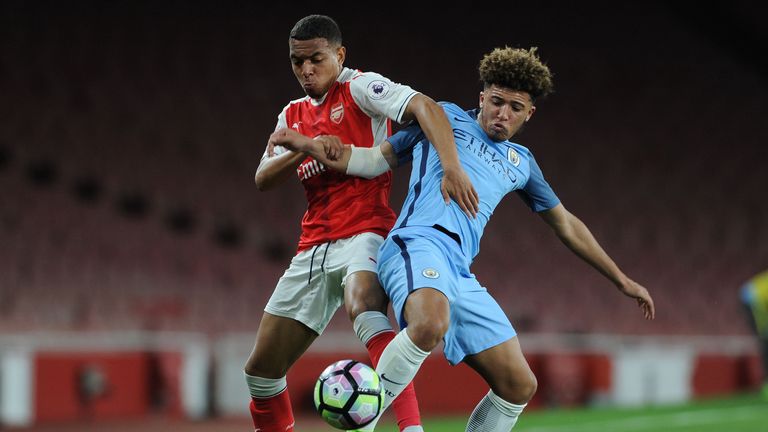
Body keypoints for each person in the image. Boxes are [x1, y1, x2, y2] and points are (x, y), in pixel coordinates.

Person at [273, 46, 656, 431]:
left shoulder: (521, 163)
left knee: (519, 385)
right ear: (481, 98)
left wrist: (621, 279)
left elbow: (566, 224)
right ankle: (362, 427)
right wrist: (310, 146)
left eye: (515, 108)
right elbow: (373, 161)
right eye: (496, 102)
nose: (502, 114)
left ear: (529, 113)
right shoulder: (444, 118)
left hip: (459, 271)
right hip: (416, 244)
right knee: (427, 325)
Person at [246, 14, 479, 432]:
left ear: (339, 54)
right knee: (261, 372)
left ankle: (410, 428)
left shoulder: (359, 87)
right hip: (313, 247)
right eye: (297, 62)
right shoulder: (292, 115)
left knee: (363, 306)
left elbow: (424, 106)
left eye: (315, 59)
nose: (306, 70)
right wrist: (307, 149)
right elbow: (263, 178)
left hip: (366, 232)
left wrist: (451, 167)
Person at [740, 268, 768, 400]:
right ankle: (765, 385)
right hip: (750, 302)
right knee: (765, 341)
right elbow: (759, 308)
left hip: (757, 302)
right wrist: (763, 329)